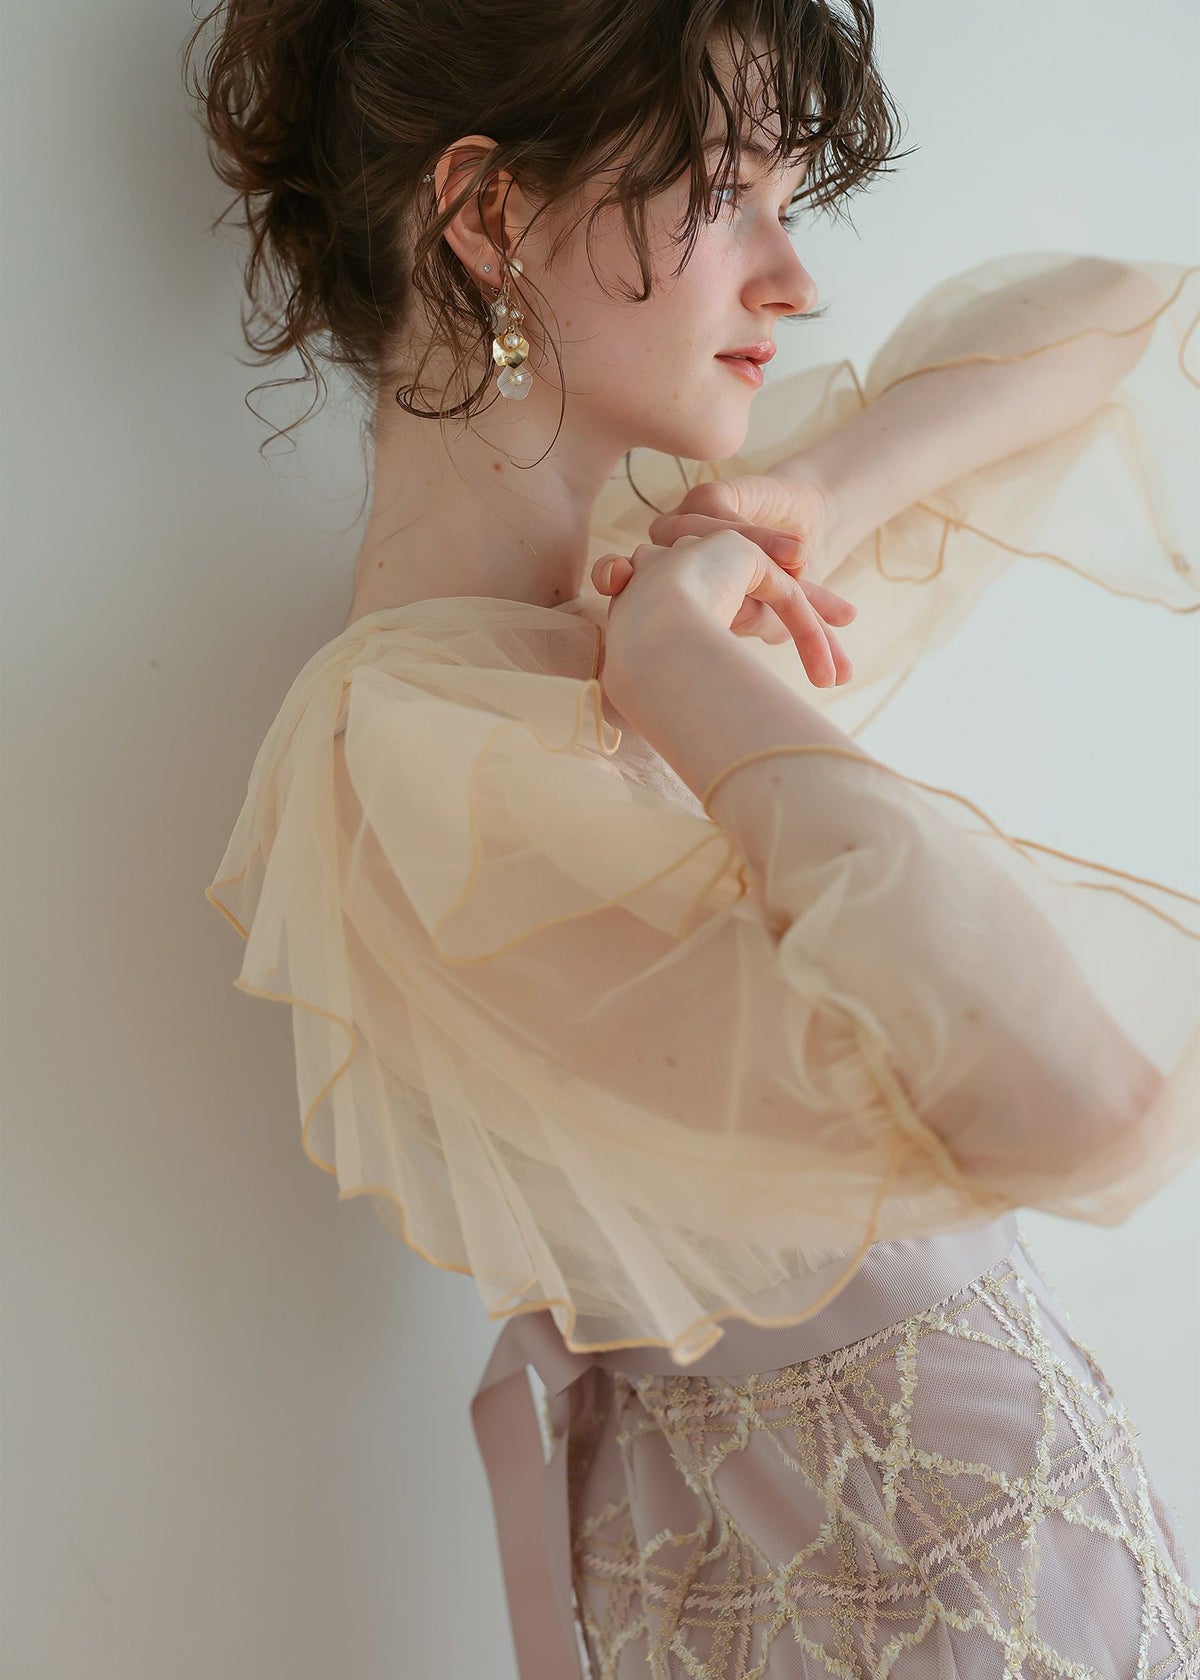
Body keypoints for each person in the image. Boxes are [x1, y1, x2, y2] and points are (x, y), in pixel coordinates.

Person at [187, 1, 1200, 1672]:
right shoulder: (424, 750)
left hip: (1019, 1571)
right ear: (489, 215)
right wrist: (677, 669)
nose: (793, 281)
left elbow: (1112, 314)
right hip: (923, 1609)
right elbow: (1091, 1106)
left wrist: (829, 493)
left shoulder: (658, 571)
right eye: (727, 195)